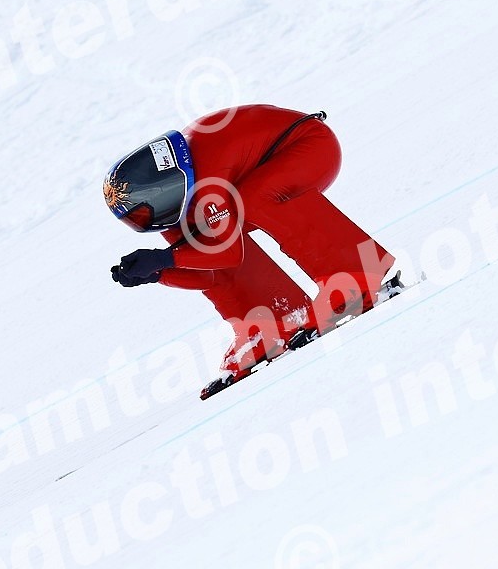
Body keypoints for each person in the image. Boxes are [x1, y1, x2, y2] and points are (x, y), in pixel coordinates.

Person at [103, 104, 395, 381]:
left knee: (250, 201)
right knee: (199, 239)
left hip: (311, 148)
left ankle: (355, 274)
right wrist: (159, 273)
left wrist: (166, 258)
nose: (156, 216)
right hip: (255, 178)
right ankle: (269, 322)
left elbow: (228, 254)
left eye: (152, 208)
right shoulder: (179, 203)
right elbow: (207, 273)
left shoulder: (207, 173)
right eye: (140, 218)